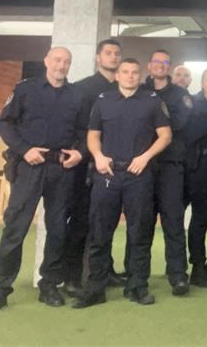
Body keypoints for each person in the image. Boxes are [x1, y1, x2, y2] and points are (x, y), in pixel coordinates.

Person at [0, 47, 86, 313]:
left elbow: (85, 131)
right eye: (57, 60)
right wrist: (24, 149)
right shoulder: (25, 89)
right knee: (15, 228)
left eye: (66, 61)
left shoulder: (77, 95)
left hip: (61, 169)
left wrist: (80, 152)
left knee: (57, 230)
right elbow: (4, 123)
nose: (61, 65)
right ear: (46, 61)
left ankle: (49, 285)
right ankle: (0, 289)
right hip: (30, 166)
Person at [73, 58, 172, 308]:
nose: (130, 76)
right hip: (107, 173)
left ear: (140, 75)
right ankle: (95, 289)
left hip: (139, 174)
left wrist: (145, 157)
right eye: (125, 72)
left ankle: (137, 287)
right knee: (99, 233)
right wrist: (98, 156)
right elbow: (93, 135)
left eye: (134, 72)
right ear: (117, 75)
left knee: (139, 233)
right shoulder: (103, 100)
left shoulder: (152, 100)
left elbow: (165, 135)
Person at [63, 38, 125, 296]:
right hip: (85, 167)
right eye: (108, 53)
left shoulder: (125, 89)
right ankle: (71, 277)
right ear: (98, 57)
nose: (113, 57)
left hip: (115, 167)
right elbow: (76, 127)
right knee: (80, 222)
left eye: (117, 53)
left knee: (106, 222)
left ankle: (104, 270)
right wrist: (84, 153)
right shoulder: (82, 89)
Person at [144, 49, 192, 296]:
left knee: (173, 221)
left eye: (165, 62)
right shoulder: (139, 91)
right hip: (141, 166)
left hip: (170, 166)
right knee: (141, 223)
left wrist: (150, 124)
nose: (160, 65)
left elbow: (178, 124)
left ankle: (178, 275)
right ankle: (137, 275)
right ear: (149, 65)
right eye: (156, 61)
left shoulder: (181, 95)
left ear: (169, 67)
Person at [181, 67, 207, 287]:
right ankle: (197, 267)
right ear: (202, 83)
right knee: (201, 217)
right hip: (201, 166)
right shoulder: (193, 104)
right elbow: (187, 135)